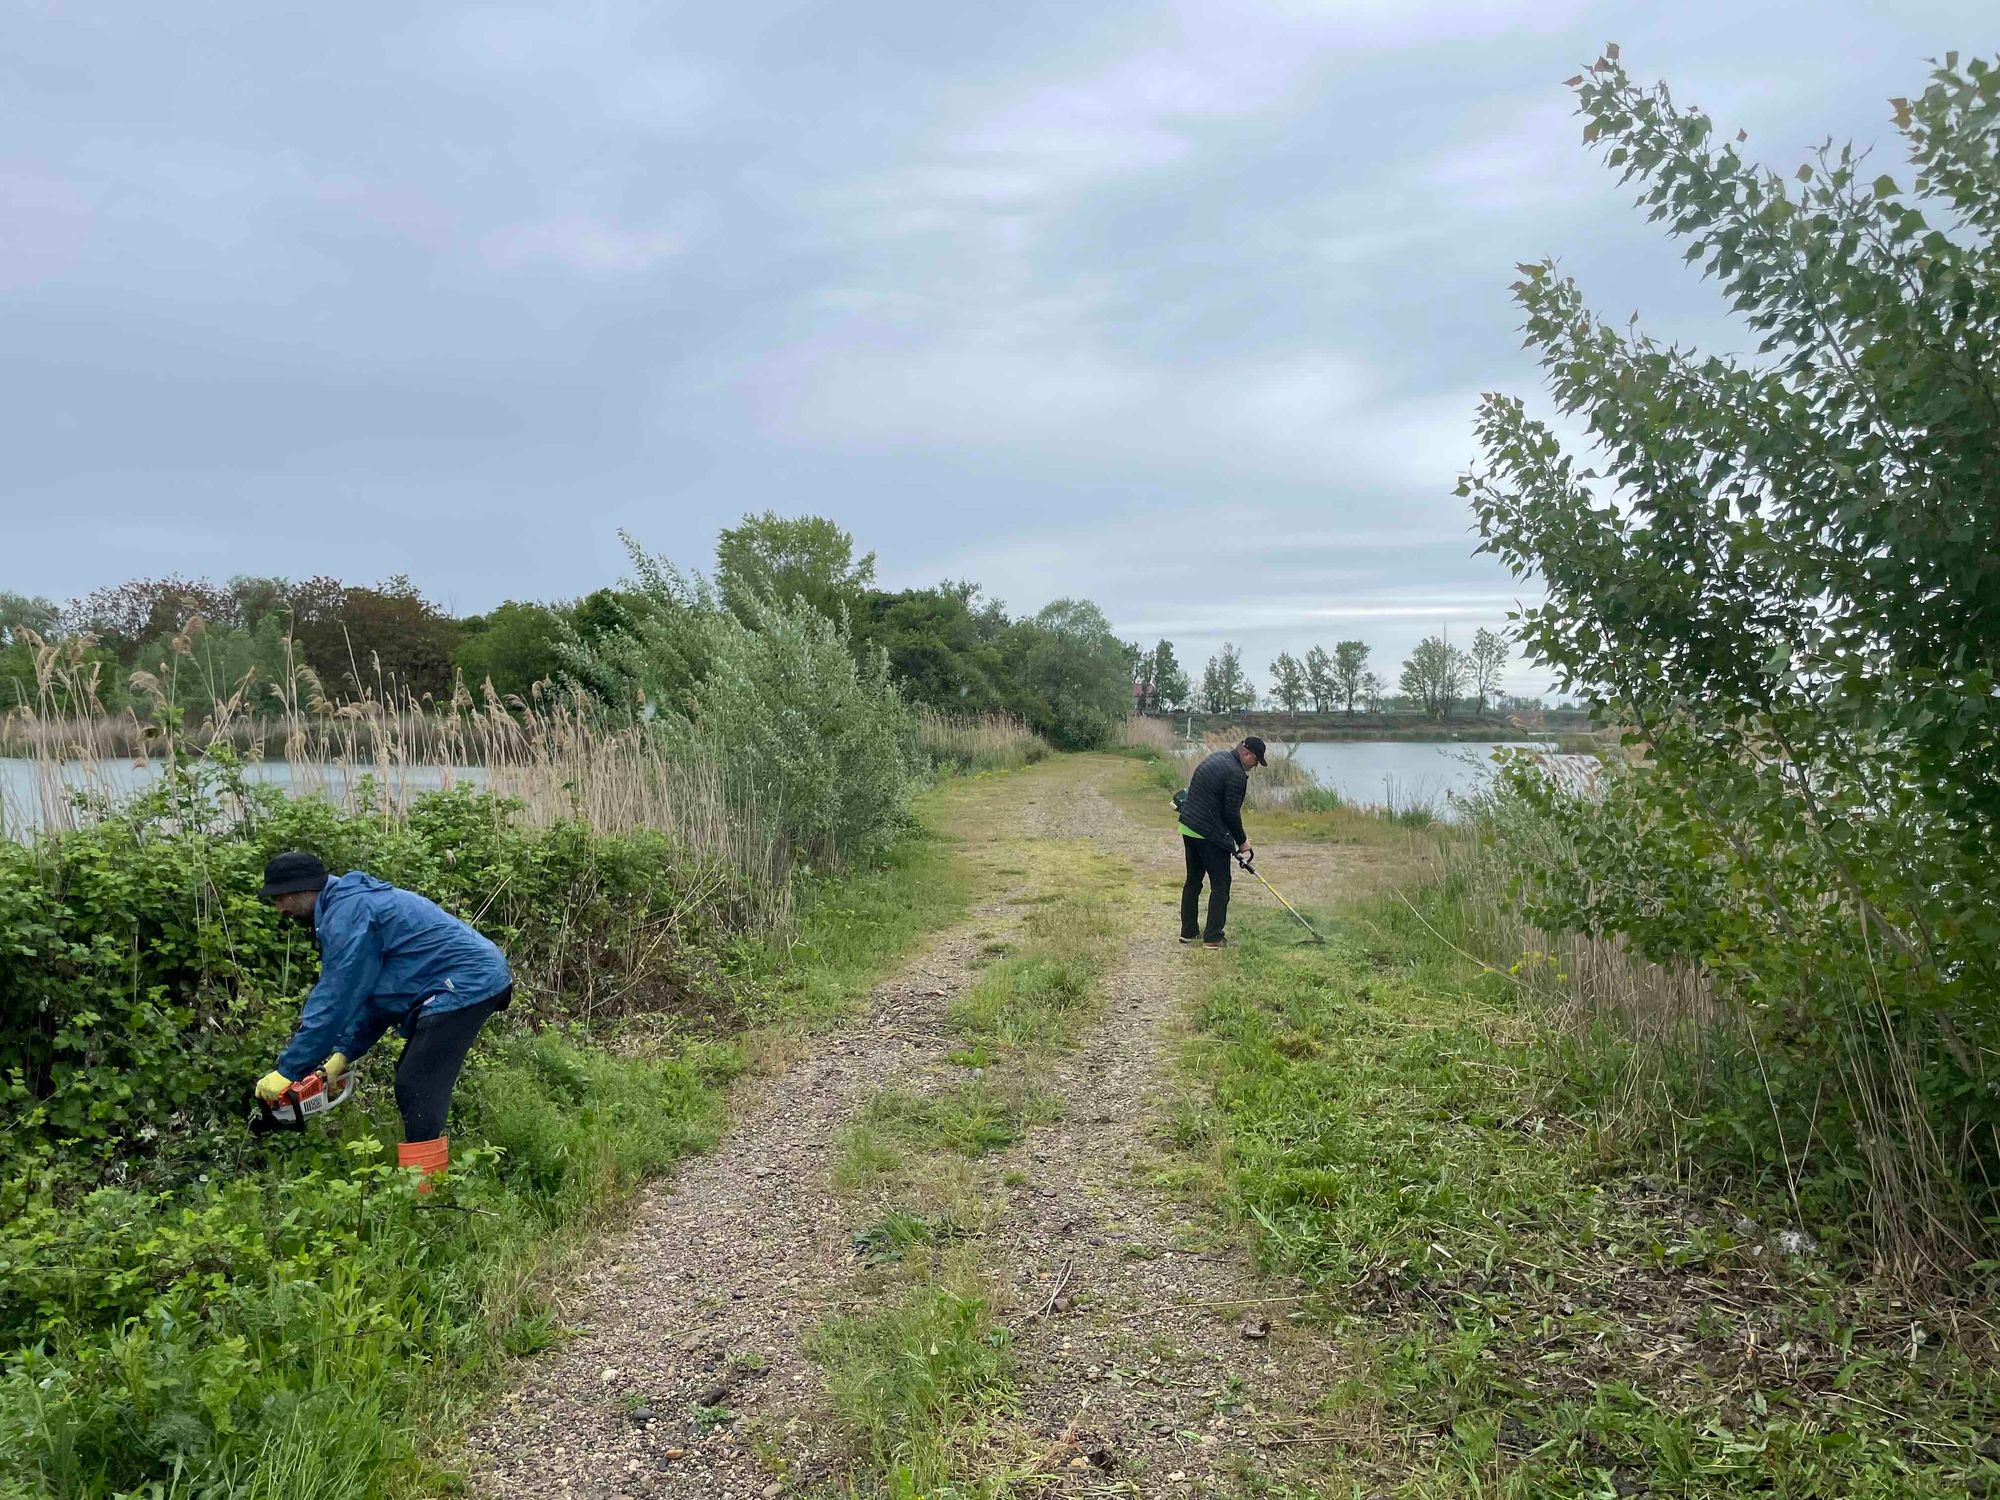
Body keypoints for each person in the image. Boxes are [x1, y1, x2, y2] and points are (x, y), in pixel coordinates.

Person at [254, 850, 512, 1189]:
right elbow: (373, 995)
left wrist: (289, 1070)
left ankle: (424, 1192)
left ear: (301, 889)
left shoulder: (348, 914)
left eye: (280, 899)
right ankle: (424, 1183)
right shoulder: (347, 905)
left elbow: (335, 999)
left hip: (466, 982)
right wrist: (343, 1054)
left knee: (416, 1082)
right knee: (415, 1078)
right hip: (464, 979)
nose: (280, 910)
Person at [1177, 737, 1265, 948]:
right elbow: (1231, 814)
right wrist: (1242, 842)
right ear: (1246, 754)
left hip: (1188, 827)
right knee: (1221, 884)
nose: (1255, 766)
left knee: (1193, 881)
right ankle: (1214, 937)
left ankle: (1188, 932)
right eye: (1256, 760)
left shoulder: (1216, 758)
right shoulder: (1236, 775)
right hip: (1208, 834)